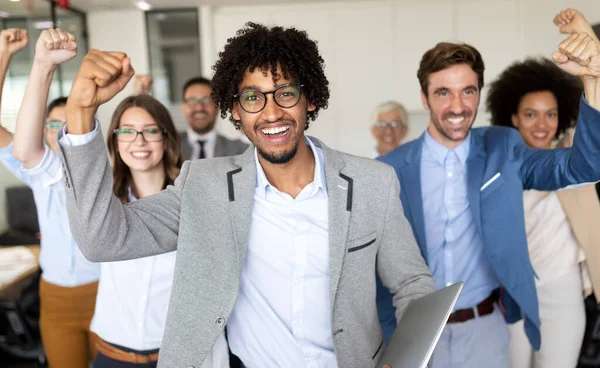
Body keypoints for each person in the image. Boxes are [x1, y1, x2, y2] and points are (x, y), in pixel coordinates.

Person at [57, 22, 434, 367]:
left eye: (285, 93)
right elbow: (102, 240)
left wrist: (407, 359)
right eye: (252, 98)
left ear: (311, 99)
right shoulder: (205, 187)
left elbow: (412, 285)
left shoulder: (373, 183)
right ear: (235, 111)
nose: (271, 113)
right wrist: (81, 113)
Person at [377, 27, 600, 367]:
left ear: (479, 93)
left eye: (468, 91)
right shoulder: (387, 170)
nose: (457, 106)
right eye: (443, 93)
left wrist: (592, 83)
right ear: (424, 98)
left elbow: (582, 167)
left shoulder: (503, 148)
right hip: (412, 333)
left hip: (486, 330)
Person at [485, 10, 600, 368]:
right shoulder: (497, 166)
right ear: (513, 117)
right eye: (530, 114)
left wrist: (592, 73)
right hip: (512, 293)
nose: (542, 123)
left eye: (550, 114)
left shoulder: (572, 158)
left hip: (563, 292)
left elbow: (590, 150)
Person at [0, 28, 100, 368]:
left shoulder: (106, 171)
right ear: (40, 130)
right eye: (52, 125)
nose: (59, 132)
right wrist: (4, 56)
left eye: (67, 124)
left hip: (105, 292)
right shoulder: (36, 169)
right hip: (55, 296)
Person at [91, 94, 182, 368]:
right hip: (112, 356)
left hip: (178, 357)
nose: (139, 141)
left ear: (166, 139)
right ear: (115, 142)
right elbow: (28, 153)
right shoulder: (102, 203)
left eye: (150, 130)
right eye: (127, 131)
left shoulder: (192, 199)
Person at [179, 76, 248, 160]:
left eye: (206, 100)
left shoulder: (239, 150)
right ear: (183, 107)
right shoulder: (170, 147)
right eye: (192, 101)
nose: (199, 107)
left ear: (217, 106)